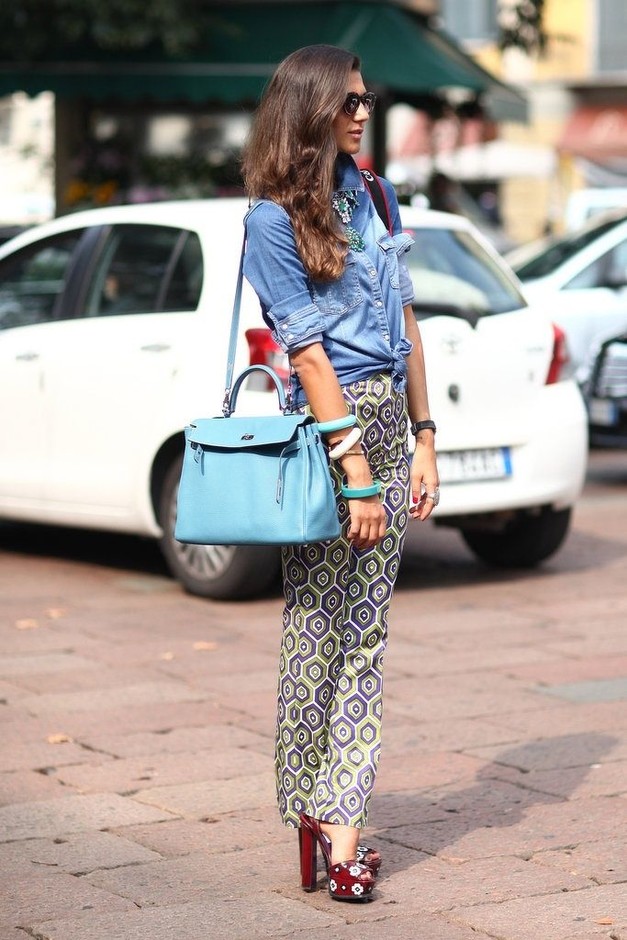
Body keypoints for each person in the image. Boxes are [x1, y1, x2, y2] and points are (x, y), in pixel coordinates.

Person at [241, 44, 439, 902]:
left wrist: (425, 435)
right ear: (309, 107)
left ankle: (341, 822)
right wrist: (355, 472)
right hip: (332, 435)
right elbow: (308, 354)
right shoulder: (269, 221)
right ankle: (312, 809)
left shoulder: (375, 191)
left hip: (391, 422)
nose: (363, 112)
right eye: (349, 101)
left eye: (367, 99)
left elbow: (407, 321)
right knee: (316, 629)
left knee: (366, 632)